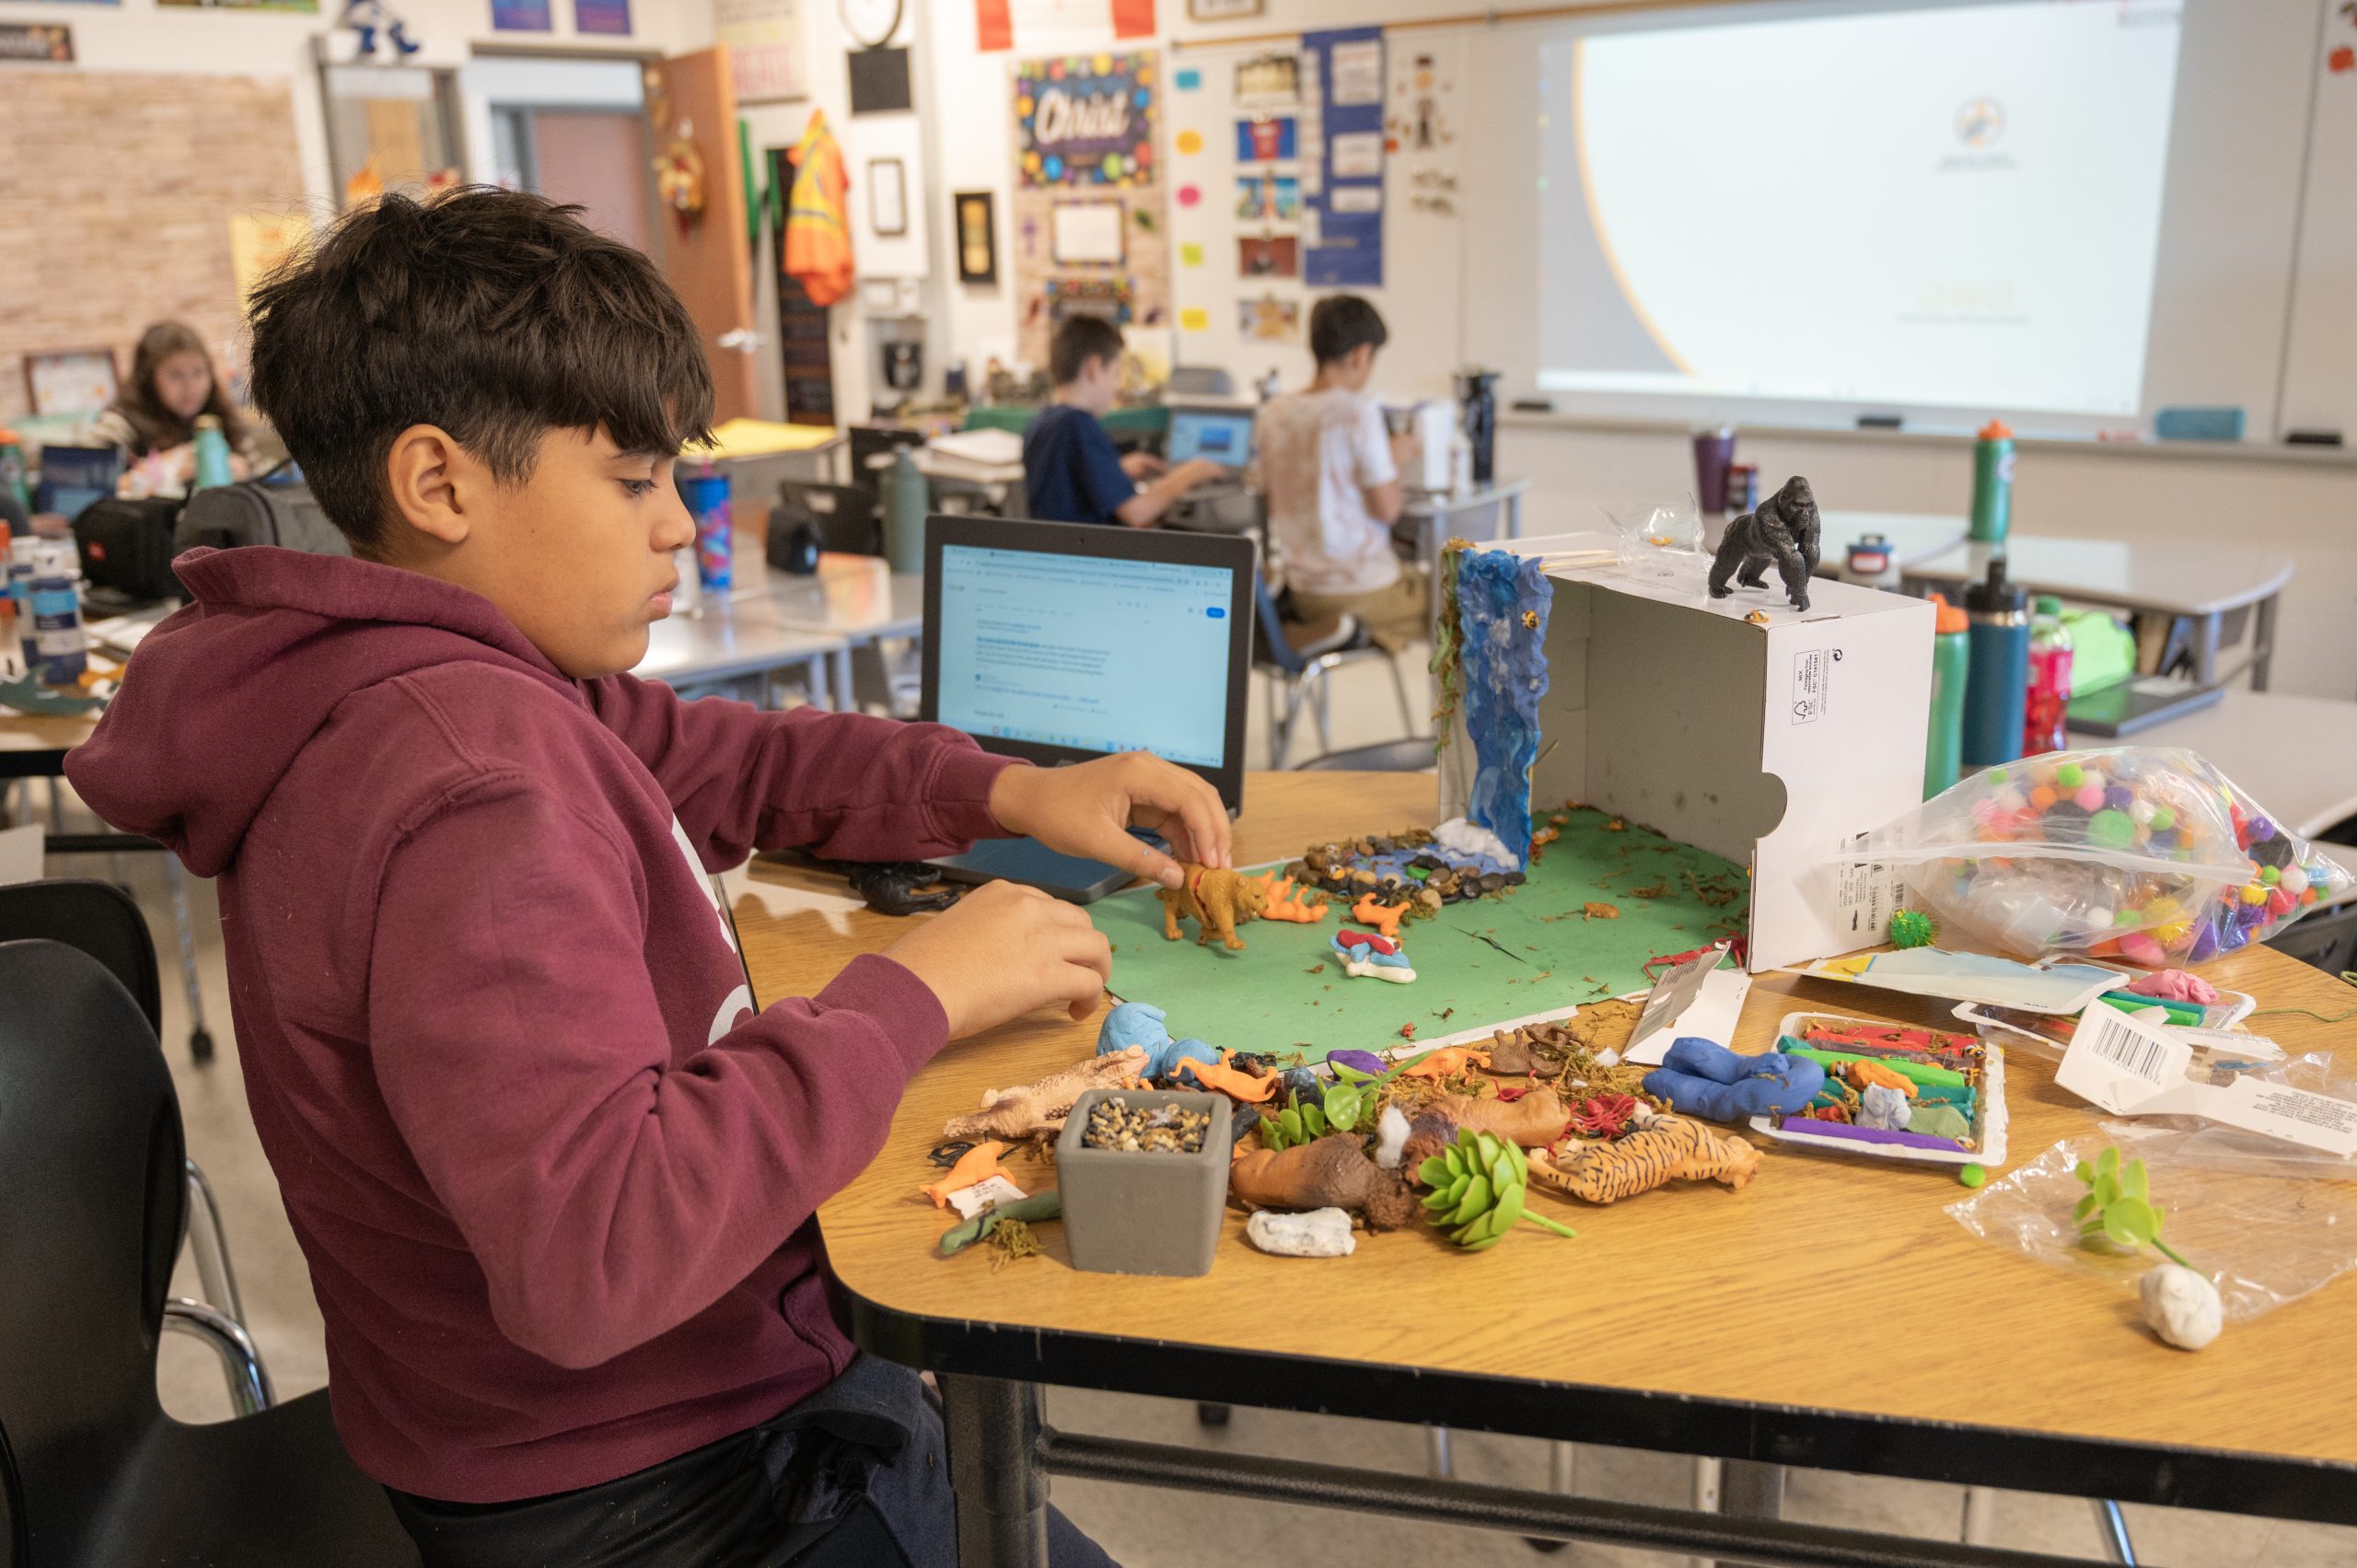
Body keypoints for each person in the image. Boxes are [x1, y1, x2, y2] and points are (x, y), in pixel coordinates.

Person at [66, 190, 1231, 1567]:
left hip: (541, 1431)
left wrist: (1009, 787)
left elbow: (728, 755)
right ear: (439, 483)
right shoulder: (472, 775)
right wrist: (911, 994)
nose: (680, 525)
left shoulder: (415, 675)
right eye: (635, 482)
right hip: (657, 1483)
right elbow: (594, 1247)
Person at [1255, 295, 1425, 649]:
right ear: (1360, 355)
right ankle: (1356, 629)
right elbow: (1388, 509)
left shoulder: (1273, 414)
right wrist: (1394, 457)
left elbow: (1274, 499)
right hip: (1360, 589)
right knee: (1456, 602)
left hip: (1303, 590)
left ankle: (1319, 630)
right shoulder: (1356, 413)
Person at [1023, 315, 1223, 527]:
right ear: (1093, 368)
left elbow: (1065, 485)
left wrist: (1116, 470)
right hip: (1091, 553)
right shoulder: (1079, 425)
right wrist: (1189, 474)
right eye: (1115, 374)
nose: (1116, 387)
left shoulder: (1043, 421)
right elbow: (1136, 513)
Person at [87, 319, 257, 482]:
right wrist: (169, 466)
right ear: (148, 380)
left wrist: (243, 470)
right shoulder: (118, 424)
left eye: (198, 372)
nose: (190, 387)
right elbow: (91, 484)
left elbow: (263, 476)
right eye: (175, 375)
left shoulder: (221, 416)